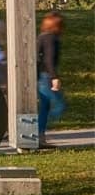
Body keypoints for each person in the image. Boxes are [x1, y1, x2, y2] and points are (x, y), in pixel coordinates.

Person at [37, 12, 65, 149]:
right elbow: (49, 60)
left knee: (45, 106)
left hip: (41, 75)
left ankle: (40, 135)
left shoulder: (42, 36)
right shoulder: (50, 39)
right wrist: (54, 77)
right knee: (59, 105)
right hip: (46, 76)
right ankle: (38, 132)